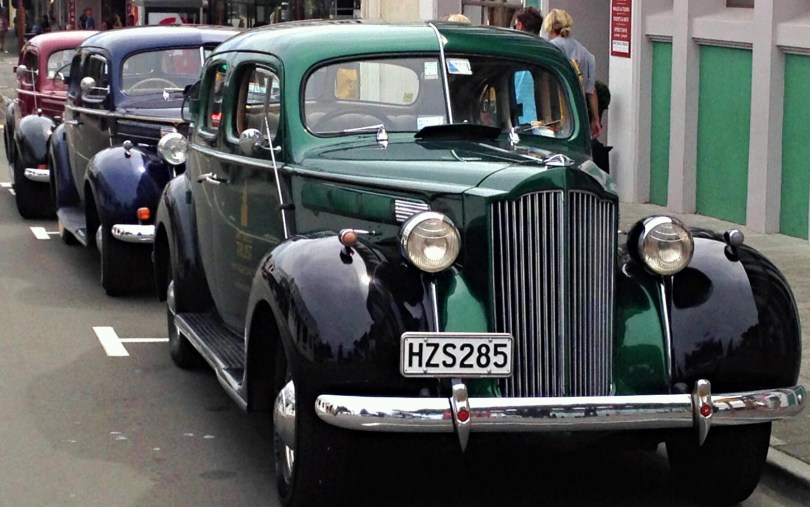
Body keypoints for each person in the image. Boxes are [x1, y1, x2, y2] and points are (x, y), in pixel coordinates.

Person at [541, 9, 601, 138]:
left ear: (549, 27)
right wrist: (596, 119)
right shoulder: (586, 54)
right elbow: (591, 91)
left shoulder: (548, 49)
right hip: (577, 116)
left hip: (552, 115)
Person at [511, 7, 543, 125]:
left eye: (515, 26)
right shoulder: (545, 52)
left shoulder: (516, 54)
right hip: (544, 122)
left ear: (520, 25)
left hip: (523, 121)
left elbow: (519, 94)